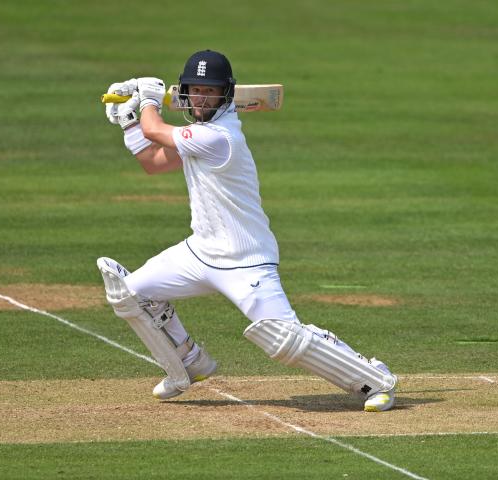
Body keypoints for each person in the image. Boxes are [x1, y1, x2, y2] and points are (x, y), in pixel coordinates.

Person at [100, 50, 397, 412]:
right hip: (199, 253)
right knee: (130, 295)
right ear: (186, 92)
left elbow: (155, 130)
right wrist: (130, 121)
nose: (201, 98)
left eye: (209, 91)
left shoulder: (220, 137)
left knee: (283, 338)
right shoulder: (197, 135)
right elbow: (153, 162)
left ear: (226, 94)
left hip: (247, 261)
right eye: (195, 90)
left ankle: (376, 379)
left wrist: (145, 101)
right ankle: (188, 363)